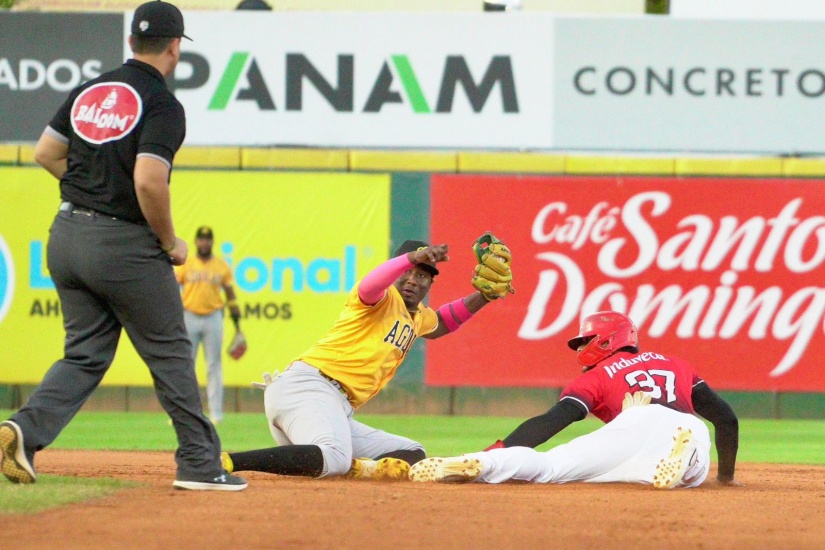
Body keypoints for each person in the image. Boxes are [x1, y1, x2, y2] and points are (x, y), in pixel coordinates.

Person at [0, 0, 246, 491]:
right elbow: (150, 182)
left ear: (132, 42)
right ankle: (199, 463)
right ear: (175, 48)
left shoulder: (90, 89)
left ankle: (22, 430)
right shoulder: (161, 103)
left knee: (85, 354)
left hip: (66, 236)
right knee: (172, 353)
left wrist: (90, 191)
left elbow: (45, 153)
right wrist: (168, 241)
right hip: (123, 246)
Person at [220, 239, 512, 480]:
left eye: (422, 275)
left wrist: (483, 296)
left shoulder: (419, 316)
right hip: (308, 388)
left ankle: (359, 468)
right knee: (333, 456)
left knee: (412, 453)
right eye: (407, 272)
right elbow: (372, 283)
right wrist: (412, 257)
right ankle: (225, 461)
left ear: (429, 283)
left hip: (332, 407)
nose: (413, 280)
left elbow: (445, 322)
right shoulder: (379, 299)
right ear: (395, 271)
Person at [409, 311, 741, 489]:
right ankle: (680, 462)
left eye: (585, 341)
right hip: (682, 425)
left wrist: (501, 448)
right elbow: (726, 419)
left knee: (551, 468)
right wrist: (725, 476)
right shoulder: (676, 364)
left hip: (630, 423)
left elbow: (554, 420)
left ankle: (483, 463)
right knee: (694, 467)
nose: (581, 350)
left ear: (608, 339)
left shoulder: (595, 377)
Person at [175, 225, 242, 424]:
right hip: (189, 316)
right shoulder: (186, 264)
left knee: (214, 365)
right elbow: (173, 288)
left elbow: (230, 294)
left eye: (208, 239)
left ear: (212, 242)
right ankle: (186, 413)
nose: (204, 242)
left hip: (213, 316)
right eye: (201, 239)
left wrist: (236, 318)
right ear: (196, 241)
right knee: (187, 365)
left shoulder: (220, 266)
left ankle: (216, 413)